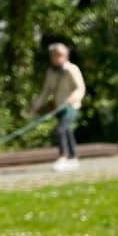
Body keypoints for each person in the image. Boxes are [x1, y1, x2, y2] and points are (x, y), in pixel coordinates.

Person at [30, 43, 86, 171]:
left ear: (65, 56)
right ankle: (73, 158)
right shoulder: (50, 72)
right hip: (58, 107)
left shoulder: (72, 69)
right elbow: (45, 92)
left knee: (60, 129)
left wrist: (74, 97)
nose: (56, 58)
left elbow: (80, 88)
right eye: (53, 55)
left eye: (59, 55)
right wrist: (35, 106)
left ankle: (63, 157)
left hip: (71, 106)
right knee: (67, 130)